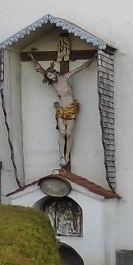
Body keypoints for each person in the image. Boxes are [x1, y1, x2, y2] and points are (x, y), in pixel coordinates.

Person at [31, 40, 93, 170]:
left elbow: (81, 67)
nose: (50, 77)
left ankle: (67, 155)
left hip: (71, 108)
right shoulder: (52, 83)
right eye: (48, 76)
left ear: (54, 72)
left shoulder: (66, 77)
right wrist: (32, 58)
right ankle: (61, 156)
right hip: (60, 109)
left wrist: (94, 57)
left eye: (51, 74)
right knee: (62, 132)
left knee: (69, 133)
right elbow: (38, 69)